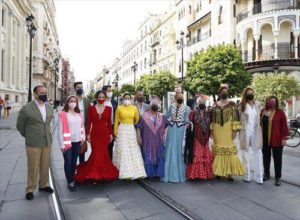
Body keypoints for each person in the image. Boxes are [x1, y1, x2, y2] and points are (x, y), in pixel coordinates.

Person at [16, 85, 54, 200]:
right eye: (41, 93)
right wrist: (28, 135)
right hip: (33, 142)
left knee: (45, 165)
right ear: (35, 94)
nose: (44, 95)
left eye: (45, 92)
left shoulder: (49, 107)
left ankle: (44, 184)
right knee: (33, 167)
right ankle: (30, 189)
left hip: (46, 141)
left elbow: (48, 122)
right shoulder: (26, 108)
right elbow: (20, 125)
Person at [75, 91, 119, 183]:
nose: (101, 99)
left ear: (105, 98)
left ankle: (101, 173)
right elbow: (88, 123)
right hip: (94, 134)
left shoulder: (109, 109)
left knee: (103, 154)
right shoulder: (91, 108)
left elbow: (109, 123)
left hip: (105, 134)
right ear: (96, 97)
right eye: (99, 97)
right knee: (96, 153)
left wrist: (111, 134)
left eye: (103, 97)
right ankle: (95, 173)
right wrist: (87, 134)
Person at [211, 84, 244, 181]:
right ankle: (218, 172)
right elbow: (212, 119)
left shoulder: (232, 104)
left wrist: (234, 131)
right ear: (220, 93)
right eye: (222, 91)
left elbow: (235, 118)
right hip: (217, 130)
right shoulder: (215, 104)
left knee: (228, 150)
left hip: (228, 129)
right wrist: (211, 131)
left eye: (225, 91)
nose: (224, 93)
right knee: (218, 150)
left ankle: (229, 173)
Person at [113, 93, 146, 180]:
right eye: (125, 98)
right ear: (122, 99)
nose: (127, 100)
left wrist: (133, 125)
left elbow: (138, 119)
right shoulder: (119, 108)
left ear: (131, 100)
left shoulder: (134, 108)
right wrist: (115, 133)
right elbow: (116, 121)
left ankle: (135, 171)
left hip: (131, 130)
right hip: (122, 130)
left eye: (128, 98)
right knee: (123, 150)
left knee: (133, 150)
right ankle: (123, 171)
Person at [57, 96, 85, 191]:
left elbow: (82, 127)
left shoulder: (78, 113)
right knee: (68, 163)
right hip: (67, 143)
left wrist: (83, 138)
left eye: (74, 101)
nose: (73, 103)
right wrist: (61, 144)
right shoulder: (63, 114)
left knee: (73, 162)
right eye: (71, 101)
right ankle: (70, 181)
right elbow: (60, 131)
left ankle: (72, 178)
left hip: (77, 142)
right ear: (67, 102)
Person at [261, 95, 288, 186]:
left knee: (277, 159)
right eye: (270, 101)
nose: (272, 102)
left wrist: (284, 138)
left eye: (274, 101)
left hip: (277, 139)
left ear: (276, 102)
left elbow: (284, 126)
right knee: (265, 158)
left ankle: (277, 178)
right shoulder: (263, 111)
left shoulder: (280, 112)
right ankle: (266, 174)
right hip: (265, 140)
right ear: (267, 102)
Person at [162, 94, 190, 183]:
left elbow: (186, 120)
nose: (180, 99)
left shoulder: (186, 108)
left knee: (178, 149)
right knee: (170, 147)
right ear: (175, 98)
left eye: (181, 98)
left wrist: (185, 126)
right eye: (178, 98)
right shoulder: (171, 106)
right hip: (171, 128)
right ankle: (168, 172)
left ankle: (178, 173)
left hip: (180, 129)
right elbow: (166, 116)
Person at [239, 87, 263, 184]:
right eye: (248, 93)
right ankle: (246, 176)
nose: (250, 95)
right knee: (245, 154)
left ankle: (259, 177)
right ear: (245, 95)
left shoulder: (258, 105)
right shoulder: (241, 106)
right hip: (245, 131)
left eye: (251, 93)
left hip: (256, 131)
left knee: (258, 153)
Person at [137, 97, 165, 178]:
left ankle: (158, 173)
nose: (155, 105)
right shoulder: (144, 116)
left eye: (157, 103)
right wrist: (138, 137)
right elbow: (138, 126)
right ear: (150, 105)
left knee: (158, 155)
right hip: (147, 140)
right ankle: (149, 173)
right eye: (153, 103)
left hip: (158, 141)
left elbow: (167, 127)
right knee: (148, 154)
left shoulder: (162, 116)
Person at [186, 97, 213, 180]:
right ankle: (195, 174)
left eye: (203, 102)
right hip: (196, 137)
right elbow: (189, 124)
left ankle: (205, 174)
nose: (202, 103)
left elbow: (210, 124)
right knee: (197, 156)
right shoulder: (193, 113)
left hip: (206, 138)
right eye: (200, 102)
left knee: (205, 156)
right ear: (197, 103)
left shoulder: (208, 113)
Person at [74, 82, 90, 164]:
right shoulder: (72, 99)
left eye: (81, 87)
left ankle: (81, 168)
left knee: (82, 149)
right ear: (74, 88)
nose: (80, 88)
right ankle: (73, 168)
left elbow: (89, 114)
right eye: (78, 87)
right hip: (73, 129)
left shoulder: (86, 100)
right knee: (74, 150)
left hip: (83, 128)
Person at [102, 85, 118, 159]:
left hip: (111, 126)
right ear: (104, 92)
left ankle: (109, 163)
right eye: (109, 91)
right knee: (103, 146)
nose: (110, 92)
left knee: (111, 145)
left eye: (111, 91)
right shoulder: (100, 101)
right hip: (102, 127)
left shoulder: (114, 102)